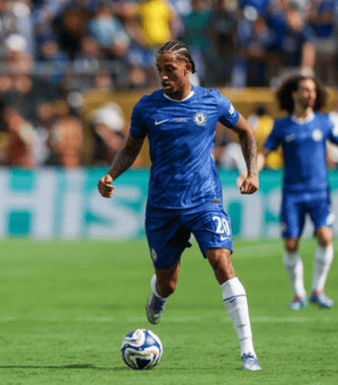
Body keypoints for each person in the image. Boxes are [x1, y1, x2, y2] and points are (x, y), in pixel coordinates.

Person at [98, 41, 262, 371]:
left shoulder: (212, 101)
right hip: (163, 206)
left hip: (205, 200)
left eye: (169, 69)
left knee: (221, 261)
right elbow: (130, 149)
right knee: (167, 284)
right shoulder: (147, 107)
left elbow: (246, 131)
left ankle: (248, 350)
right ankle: (157, 296)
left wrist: (252, 171)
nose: (163, 76)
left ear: (188, 68)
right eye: (159, 70)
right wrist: (111, 175)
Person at [258, 74, 338, 311]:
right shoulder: (281, 126)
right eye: (305, 90)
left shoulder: (323, 122)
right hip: (292, 194)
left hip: (319, 192)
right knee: (291, 244)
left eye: (313, 90)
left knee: (325, 237)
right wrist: (252, 172)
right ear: (294, 94)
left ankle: (318, 290)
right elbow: (264, 153)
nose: (310, 94)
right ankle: (298, 294)